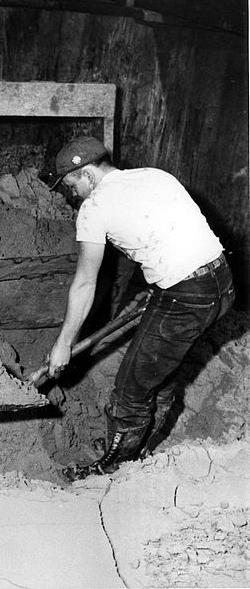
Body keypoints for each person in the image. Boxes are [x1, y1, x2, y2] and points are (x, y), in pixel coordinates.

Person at [47, 136, 235, 480]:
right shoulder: (154, 175)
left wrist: (63, 344)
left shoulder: (95, 208)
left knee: (131, 390)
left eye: (72, 184)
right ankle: (139, 451)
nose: (73, 194)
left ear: (87, 173)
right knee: (158, 375)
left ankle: (113, 468)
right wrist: (157, 288)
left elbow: (85, 283)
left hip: (186, 296)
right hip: (221, 284)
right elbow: (166, 235)